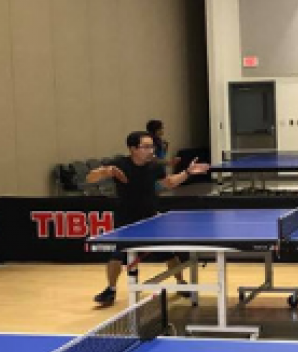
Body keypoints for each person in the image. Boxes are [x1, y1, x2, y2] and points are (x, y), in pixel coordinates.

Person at [88, 131, 209, 306]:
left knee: (169, 254)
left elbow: (169, 183)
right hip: (126, 221)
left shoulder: (154, 166)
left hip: (150, 218)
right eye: (146, 146)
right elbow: (90, 178)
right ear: (132, 149)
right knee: (116, 256)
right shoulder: (120, 164)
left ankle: (181, 283)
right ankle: (110, 290)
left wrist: (187, 172)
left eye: (152, 146)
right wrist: (105, 171)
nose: (151, 150)